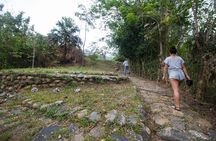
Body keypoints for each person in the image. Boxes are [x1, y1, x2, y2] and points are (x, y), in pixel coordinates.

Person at [162, 47, 190, 111]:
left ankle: (177, 107)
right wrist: (187, 75)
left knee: (175, 90)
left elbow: (165, 68)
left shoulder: (168, 58)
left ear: (170, 52)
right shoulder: (180, 58)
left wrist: (164, 76)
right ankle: (175, 98)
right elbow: (183, 67)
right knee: (177, 88)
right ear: (176, 52)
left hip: (173, 75)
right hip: (181, 75)